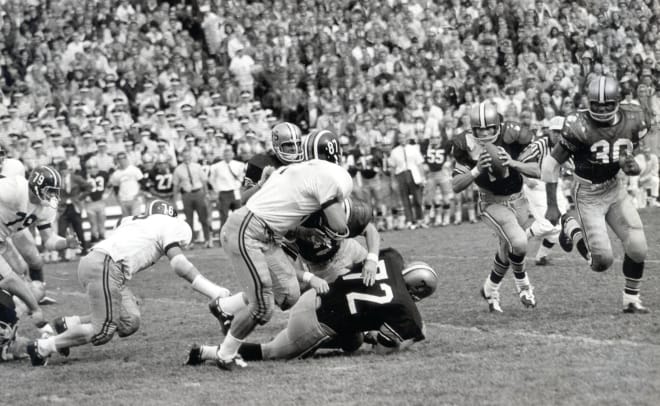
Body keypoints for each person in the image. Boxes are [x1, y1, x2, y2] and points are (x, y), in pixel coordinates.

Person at [26, 200, 230, 366]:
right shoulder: (169, 223)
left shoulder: (132, 221)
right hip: (105, 266)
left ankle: (68, 323)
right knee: (102, 330)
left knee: (129, 321)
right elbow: (178, 263)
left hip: (101, 265)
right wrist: (214, 291)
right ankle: (43, 347)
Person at [213, 129, 353, 370]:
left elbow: (277, 211)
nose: (293, 151)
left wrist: (305, 232)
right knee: (263, 307)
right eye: (289, 146)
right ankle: (226, 355)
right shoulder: (327, 175)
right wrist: (350, 221)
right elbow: (339, 223)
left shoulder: (293, 171)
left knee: (289, 294)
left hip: (265, 232)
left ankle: (226, 308)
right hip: (246, 231)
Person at [186, 248, 437, 364]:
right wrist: (407, 339)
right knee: (272, 351)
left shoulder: (391, 259)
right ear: (418, 291)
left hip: (316, 294)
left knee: (353, 342)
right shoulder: (407, 311)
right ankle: (209, 352)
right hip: (315, 323)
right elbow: (383, 352)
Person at [541, 76, 650, 313]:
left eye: (607, 104)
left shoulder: (632, 119)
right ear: (589, 102)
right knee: (601, 262)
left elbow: (638, 153)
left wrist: (635, 166)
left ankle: (631, 299)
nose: (601, 109)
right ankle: (570, 226)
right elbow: (550, 166)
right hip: (588, 193)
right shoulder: (578, 124)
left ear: (618, 102)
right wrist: (551, 204)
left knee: (638, 247)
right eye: (596, 104)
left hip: (615, 188)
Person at [452, 102, 538, 313]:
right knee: (518, 243)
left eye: (490, 127)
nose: (485, 132)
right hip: (491, 202)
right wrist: (476, 170)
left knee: (506, 249)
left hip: (518, 199)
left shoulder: (513, 134)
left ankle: (490, 289)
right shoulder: (465, 143)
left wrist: (512, 163)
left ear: (498, 125)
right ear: (473, 129)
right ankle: (524, 286)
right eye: (480, 129)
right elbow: (455, 185)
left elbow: (536, 171)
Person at [0, 167, 80, 336]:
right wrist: (36, 311)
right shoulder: (13, 188)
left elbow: (49, 240)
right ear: (36, 185)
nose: (52, 196)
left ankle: (9, 326)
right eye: (49, 191)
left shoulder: (45, 208)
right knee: (12, 281)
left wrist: (66, 243)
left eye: (54, 192)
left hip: (3, 241)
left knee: (34, 289)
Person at [518, 116, 570, 265]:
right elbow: (520, 160)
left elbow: (570, 165)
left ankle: (541, 257)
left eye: (561, 132)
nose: (558, 135)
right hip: (537, 186)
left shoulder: (566, 145)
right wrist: (526, 179)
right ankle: (516, 241)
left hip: (554, 185)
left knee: (560, 226)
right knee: (547, 225)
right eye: (555, 131)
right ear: (549, 131)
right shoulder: (540, 144)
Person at [239, 122, 304, 204]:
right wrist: (261, 184)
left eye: (298, 144)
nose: (294, 149)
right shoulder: (260, 162)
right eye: (289, 145)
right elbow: (244, 199)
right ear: (276, 145)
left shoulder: (306, 162)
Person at [173, 148, 212, 248]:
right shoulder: (178, 169)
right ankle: (190, 242)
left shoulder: (197, 166)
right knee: (189, 220)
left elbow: (204, 181)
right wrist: (175, 199)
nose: (186, 158)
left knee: (203, 217)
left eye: (188, 156)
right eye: (184, 156)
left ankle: (208, 240)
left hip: (198, 192)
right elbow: (176, 185)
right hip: (186, 194)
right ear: (182, 157)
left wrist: (206, 193)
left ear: (191, 157)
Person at [387, 133, 427, 229]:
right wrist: (393, 180)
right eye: (400, 138)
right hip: (401, 174)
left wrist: (422, 177)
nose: (402, 140)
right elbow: (392, 167)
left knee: (417, 198)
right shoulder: (394, 151)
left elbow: (420, 163)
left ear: (407, 138)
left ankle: (420, 219)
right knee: (405, 199)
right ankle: (409, 220)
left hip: (414, 174)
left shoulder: (413, 148)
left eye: (403, 138)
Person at [56, 161, 91, 260]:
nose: (63, 172)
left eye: (64, 170)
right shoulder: (58, 180)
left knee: (79, 229)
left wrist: (80, 197)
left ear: (68, 170)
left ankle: (84, 250)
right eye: (61, 170)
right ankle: (61, 254)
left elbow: (89, 187)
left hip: (75, 206)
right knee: (61, 231)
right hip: (63, 208)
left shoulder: (76, 178)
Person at [420, 133, 454, 226]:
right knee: (429, 198)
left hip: (443, 174)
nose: (434, 140)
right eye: (432, 138)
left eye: (437, 138)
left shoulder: (445, 147)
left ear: (440, 139)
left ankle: (446, 218)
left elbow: (453, 154)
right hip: (431, 175)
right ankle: (435, 218)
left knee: (446, 198)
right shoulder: (426, 147)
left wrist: (449, 162)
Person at [208, 147, 245, 231]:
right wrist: (217, 189)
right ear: (223, 156)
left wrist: (237, 185)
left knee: (238, 216)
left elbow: (242, 176)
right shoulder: (216, 166)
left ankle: (237, 235)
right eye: (225, 155)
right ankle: (223, 237)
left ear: (232, 155)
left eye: (229, 155)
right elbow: (211, 179)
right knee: (224, 217)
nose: (227, 156)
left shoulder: (239, 164)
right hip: (223, 193)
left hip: (235, 192)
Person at [83, 159, 110, 243]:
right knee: (93, 224)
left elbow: (111, 184)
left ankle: (102, 239)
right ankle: (94, 241)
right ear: (86, 169)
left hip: (100, 202)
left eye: (94, 167)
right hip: (90, 204)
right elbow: (78, 188)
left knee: (101, 224)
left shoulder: (103, 174)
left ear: (97, 167)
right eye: (89, 168)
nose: (92, 169)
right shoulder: (83, 176)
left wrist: (107, 193)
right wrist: (84, 196)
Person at [109, 152, 144, 217]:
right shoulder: (116, 174)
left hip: (135, 199)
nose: (122, 160)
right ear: (117, 160)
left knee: (135, 219)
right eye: (119, 159)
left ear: (126, 159)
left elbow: (142, 183)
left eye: (123, 158)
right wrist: (118, 199)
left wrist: (139, 194)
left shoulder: (134, 170)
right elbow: (116, 188)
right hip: (123, 200)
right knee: (126, 220)